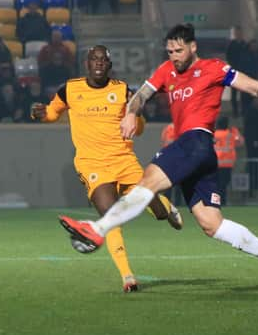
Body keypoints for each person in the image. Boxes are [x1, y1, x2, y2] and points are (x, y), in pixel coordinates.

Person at [58, 24, 258, 294]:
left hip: (195, 141)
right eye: (170, 51)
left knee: (147, 181)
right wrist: (131, 112)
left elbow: (254, 88)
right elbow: (141, 95)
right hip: (197, 153)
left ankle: (97, 228)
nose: (174, 56)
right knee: (212, 223)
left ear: (193, 46)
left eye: (178, 50)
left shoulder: (214, 68)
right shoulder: (167, 70)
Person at [30, 45, 184, 293]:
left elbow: (140, 126)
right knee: (111, 216)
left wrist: (136, 121)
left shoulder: (123, 91)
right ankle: (127, 276)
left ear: (109, 66)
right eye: (94, 59)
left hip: (124, 161)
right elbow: (51, 113)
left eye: (104, 60)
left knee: (155, 209)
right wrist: (41, 114)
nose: (99, 63)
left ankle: (165, 207)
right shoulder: (70, 89)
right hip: (93, 164)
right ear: (87, 64)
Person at [214, 116, 244, 206]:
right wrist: (235, 131)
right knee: (223, 185)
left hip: (214, 164)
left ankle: (215, 202)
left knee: (216, 185)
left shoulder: (213, 134)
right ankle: (223, 201)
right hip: (227, 164)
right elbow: (240, 142)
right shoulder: (230, 134)